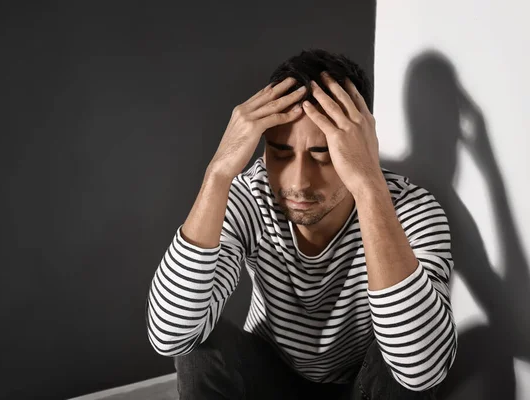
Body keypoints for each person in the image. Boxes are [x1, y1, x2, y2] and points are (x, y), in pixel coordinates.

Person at [145, 49, 458, 399]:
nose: (297, 182)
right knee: (201, 350)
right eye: (280, 153)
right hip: (272, 379)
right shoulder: (251, 195)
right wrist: (218, 174)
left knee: (406, 352)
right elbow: (169, 335)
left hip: (363, 386)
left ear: (360, 144)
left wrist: (370, 188)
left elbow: (422, 372)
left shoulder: (412, 210)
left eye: (323, 155)